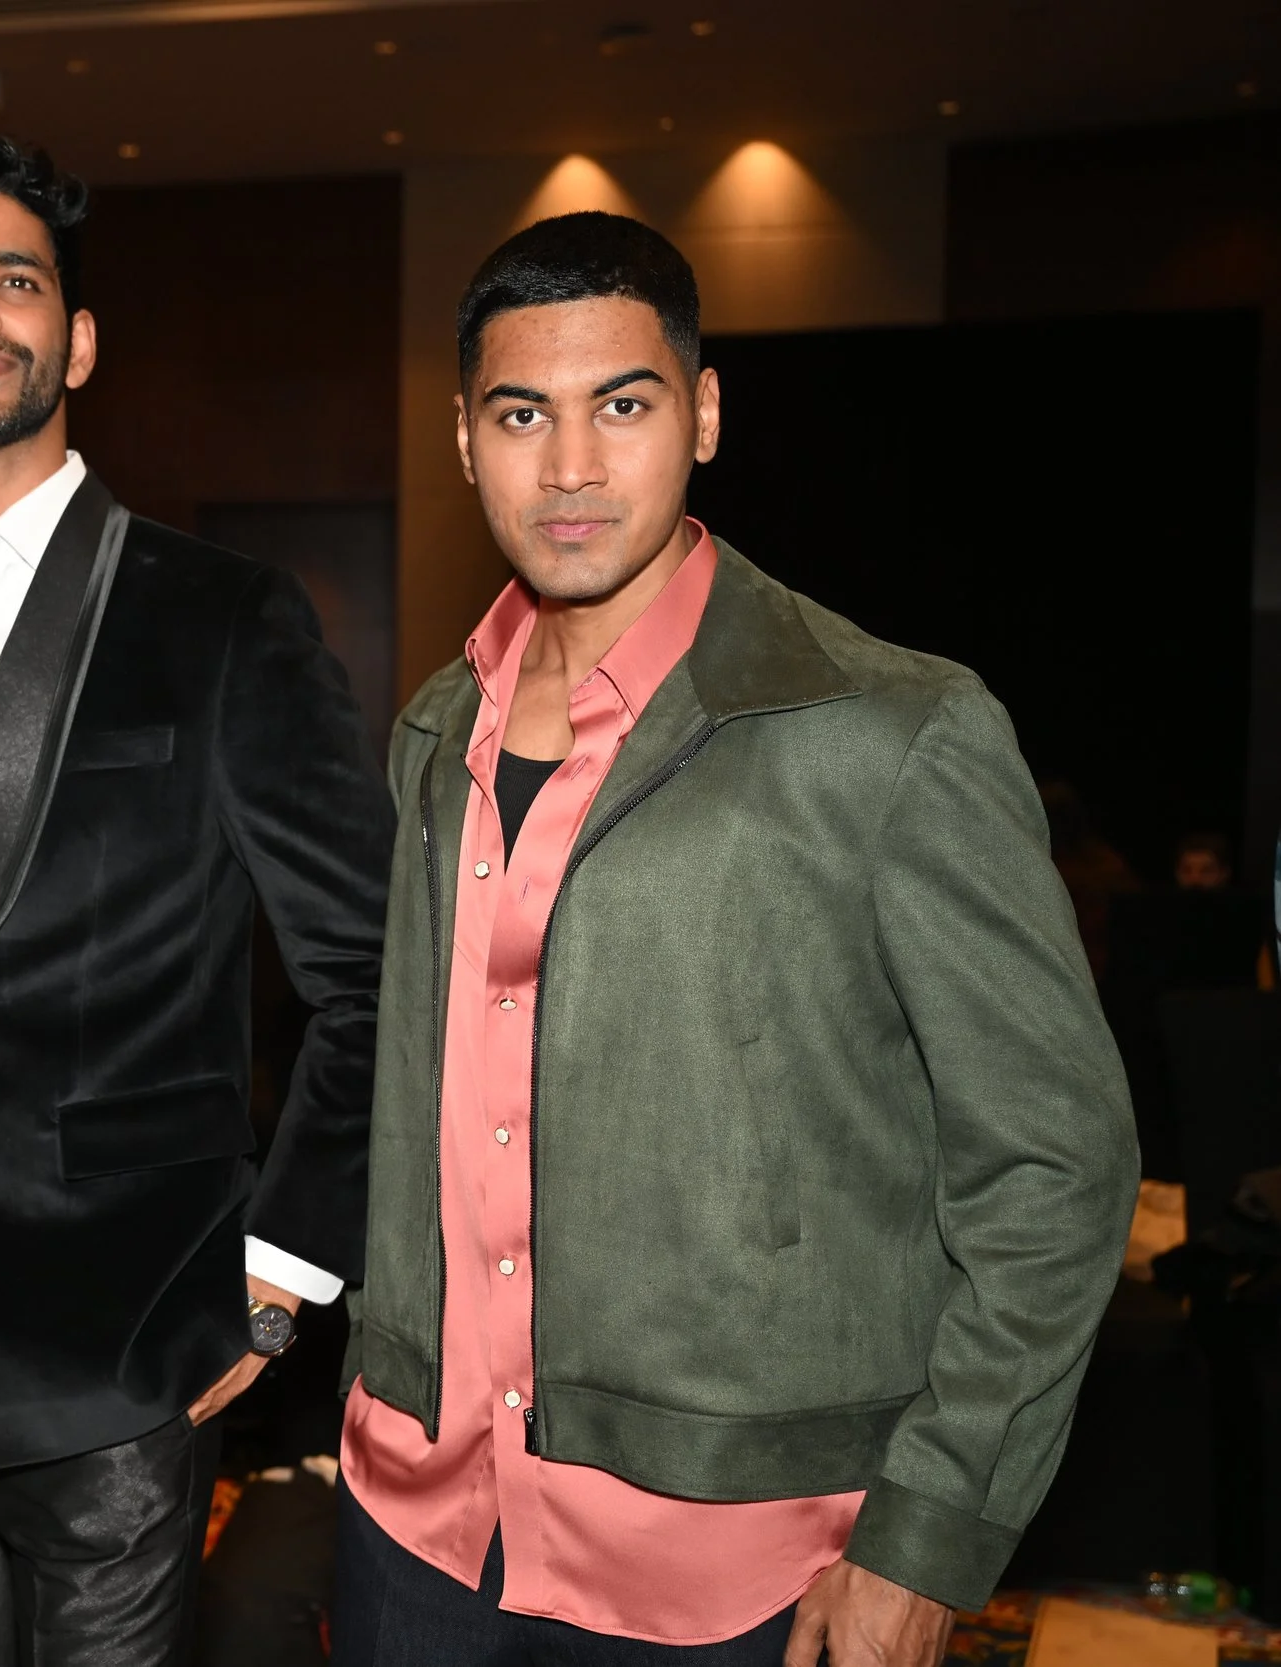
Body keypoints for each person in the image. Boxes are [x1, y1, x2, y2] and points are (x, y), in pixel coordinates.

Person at [334, 211, 1137, 1667]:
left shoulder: (890, 730)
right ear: (464, 440)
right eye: (523, 413)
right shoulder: (431, 731)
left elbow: (1058, 1163)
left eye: (622, 404)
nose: (569, 465)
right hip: (422, 1530)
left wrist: (930, 1527)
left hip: (739, 1564)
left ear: (703, 413)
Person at [0, 132, 393, 1663]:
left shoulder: (221, 616)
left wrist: (281, 1269)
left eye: (15, 282)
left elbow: (374, 972)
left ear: (80, 338)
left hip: (124, 1335)